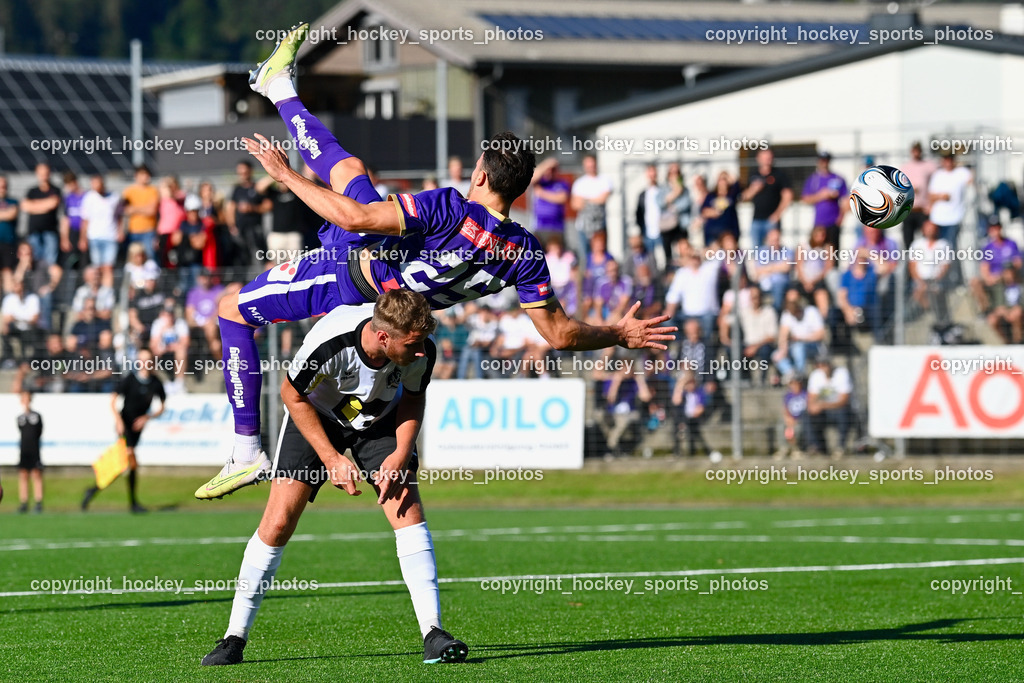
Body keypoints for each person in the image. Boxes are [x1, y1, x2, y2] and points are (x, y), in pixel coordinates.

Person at [196, 24, 675, 499]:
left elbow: (356, 217)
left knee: (230, 310)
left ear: (481, 174)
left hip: (348, 277)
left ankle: (246, 451)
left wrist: (286, 176)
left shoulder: (450, 207)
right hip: (384, 284)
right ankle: (279, 84)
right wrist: (618, 333)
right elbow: (560, 335)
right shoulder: (525, 252)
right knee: (349, 169)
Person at [201, 289, 468, 666]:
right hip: (315, 416)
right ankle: (233, 638)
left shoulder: (420, 349)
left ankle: (433, 633)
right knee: (277, 524)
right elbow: (291, 395)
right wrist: (330, 458)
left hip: (380, 421)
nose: (422, 351)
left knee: (407, 510)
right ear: (383, 337)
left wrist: (400, 453)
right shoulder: (330, 345)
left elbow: (412, 398)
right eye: (412, 344)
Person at [82, 348, 165, 513]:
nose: (145, 363)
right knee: (130, 459)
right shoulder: (131, 379)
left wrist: (147, 417)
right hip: (125, 425)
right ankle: (133, 503)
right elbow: (113, 401)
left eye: (148, 360)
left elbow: (162, 406)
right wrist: (119, 421)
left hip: (137, 429)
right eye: (142, 359)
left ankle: (94, 489)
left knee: (124, 465)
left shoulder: (155, 382)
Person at [743, 147, 793, 248]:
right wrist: (753, 189)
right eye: (765, 157)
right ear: (758, 158)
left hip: (771, 221)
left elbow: (788, 196)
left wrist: (777, 215)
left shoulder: (779, 175)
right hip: (756, 220)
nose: (767, 160)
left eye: (769, 157)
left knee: (773, 250)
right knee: (756, 250)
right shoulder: (753, 174)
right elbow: (744, 197)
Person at [226, 161, 272, 266]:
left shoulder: (258, 188)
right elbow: (231, 208)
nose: (242, 174)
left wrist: (252, 208)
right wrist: (232, 225)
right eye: (240, 172)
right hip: (241, 230)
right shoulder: (237, 190)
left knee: (259, 258)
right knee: (243, 259)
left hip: (256, 230)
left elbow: (268, 206)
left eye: (245, 171)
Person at [806, 355, 852, 459]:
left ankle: (841, 447)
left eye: (824, 364)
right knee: (808, 414)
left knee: (843, 413)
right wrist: (813, 407)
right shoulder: (815, 375)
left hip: (838, 410)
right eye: (819, 365)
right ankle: (816, 447)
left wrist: (822, 404)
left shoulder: (842, 373)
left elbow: (843, 400)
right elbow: (811, 399)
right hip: (824, 412)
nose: (822, 367)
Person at [79, 173, 121, 285]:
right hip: (94, 236)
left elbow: (119, 216)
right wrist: (83, 238)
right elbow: (85, 220)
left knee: (108, 267)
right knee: (97, 268)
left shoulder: (114, 197)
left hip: (110, 236)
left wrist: (120, 231)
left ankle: (107, 291)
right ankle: (97, 290)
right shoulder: (88, 198)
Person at [801, 152, 847, 254]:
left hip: (833, 222)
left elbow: (845, 200)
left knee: (833, 253)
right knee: (817, 252)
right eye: (822, 160)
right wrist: (822, 195)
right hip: (819, 222)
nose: (824, 163)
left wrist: (840, 219)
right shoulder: (813, 179)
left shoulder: (838, 178)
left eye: (826, 160)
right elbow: (805, 199)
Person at [570, 154, 613, 260]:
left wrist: (584, 199)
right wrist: (593, 199)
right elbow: (575, 204)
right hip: (583, 226)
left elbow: (602, 199)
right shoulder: (579, 183)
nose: (590, 167)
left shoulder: (604, 180)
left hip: (599, 226)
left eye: (592, 164)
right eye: (588, 165)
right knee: (585, 257)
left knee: (601, 255)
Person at [908, 220, 951, 324]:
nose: (930, 231)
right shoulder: (917, 244)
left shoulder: (943, 244)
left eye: (932, 229)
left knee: (934, 292)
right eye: (928, 229)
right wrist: (919, 282)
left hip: (937, 281)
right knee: (918, 294)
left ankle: (939, 320)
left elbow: (945, 265)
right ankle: (930, 314)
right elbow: (912, 265)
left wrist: (935, 281)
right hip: (920, 281)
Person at [21, 163, 62, 266]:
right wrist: (45, 204)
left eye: (46, 173)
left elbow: (53, 204)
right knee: (35, 261)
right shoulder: (32, 191)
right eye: (41, 173)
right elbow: (25, 206)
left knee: (50, 262)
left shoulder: (55, 190)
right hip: (34, 231)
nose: (44, 175)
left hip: (50, 231)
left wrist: (34, 205)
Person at [901, 142, 935, 248]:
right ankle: (909, 258)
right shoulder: (905, 168)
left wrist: (931, 204)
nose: (916, 153)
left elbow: (938, 181)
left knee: (926, 239)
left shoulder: (928, 166)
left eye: (918, 150)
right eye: (914, 150)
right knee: (908, 240)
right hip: (909, 209)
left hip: (922, 209)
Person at [122, 165, 159, 260]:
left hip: (149, 231)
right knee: (133, 258)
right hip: (133, 231)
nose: (145, 177)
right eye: (142, 174)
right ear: (136, 175)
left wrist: (134, 209)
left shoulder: (153, 190)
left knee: (150, 257)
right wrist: (144, 208)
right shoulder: (129, 191)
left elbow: (151, 211)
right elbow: (126, 210)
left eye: (147, 174)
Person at [530, 158, 569, 246]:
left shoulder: (562, 183)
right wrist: (547, 164)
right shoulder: (540, 182)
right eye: (548, 170)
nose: (550, 172)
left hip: (556, 227)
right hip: (539, 226)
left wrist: (541, 193)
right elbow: (532, 178)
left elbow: (562, 198)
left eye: (552, 170)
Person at [16, 390, 44, 514]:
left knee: (36, 474)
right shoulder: (20, 418)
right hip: (24, 450)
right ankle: (24, 502)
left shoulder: (36, 416)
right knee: (23, 475)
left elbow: (39, 431)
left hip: (34, 449)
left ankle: (38, 502)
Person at [635, 163, 666, 265]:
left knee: (664, 258)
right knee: (649, 260)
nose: (652, 175)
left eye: (654, 173)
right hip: (647, 231)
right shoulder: (643, 194)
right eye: (650, 173)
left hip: (662, 230)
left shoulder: (663, 191)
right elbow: (639, 213)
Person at [700, 171, 740, 245]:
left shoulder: (732, 194)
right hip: (712, 233)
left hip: (729, 234)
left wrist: (728, 176)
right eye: (721, 179)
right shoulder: (711, 196)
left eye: (725, 179)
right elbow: (703, 211)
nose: (723, 182)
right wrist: (713, 212)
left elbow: (737, 183)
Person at [59, 172, 86, 272]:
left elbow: (87, 219)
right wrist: (64, 238)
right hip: (72, 233)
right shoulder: (67, 198)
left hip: (85, 233)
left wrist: (83, 238)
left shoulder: (87, 196)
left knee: (84, 262)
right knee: (71, 260)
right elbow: (65, 219)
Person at [0, 175, 19, 294]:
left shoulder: (13, 201)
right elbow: (7, 214)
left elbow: (12, 214)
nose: (2, 188)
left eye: (4, 185)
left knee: (7, 272)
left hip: (8, 243)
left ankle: (7, 300)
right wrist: (5, 213)